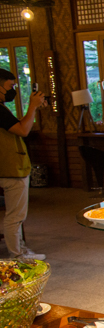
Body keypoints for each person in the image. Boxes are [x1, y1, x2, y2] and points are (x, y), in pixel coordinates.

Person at [0, 69, 47, 261]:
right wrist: (32, 107)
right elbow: (22, 130)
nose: (13, 90)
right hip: (11, 169)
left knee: (16, 215)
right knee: (15, 216)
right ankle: (18, 254)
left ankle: (20, 249)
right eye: (10, 86)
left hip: (9, 167)